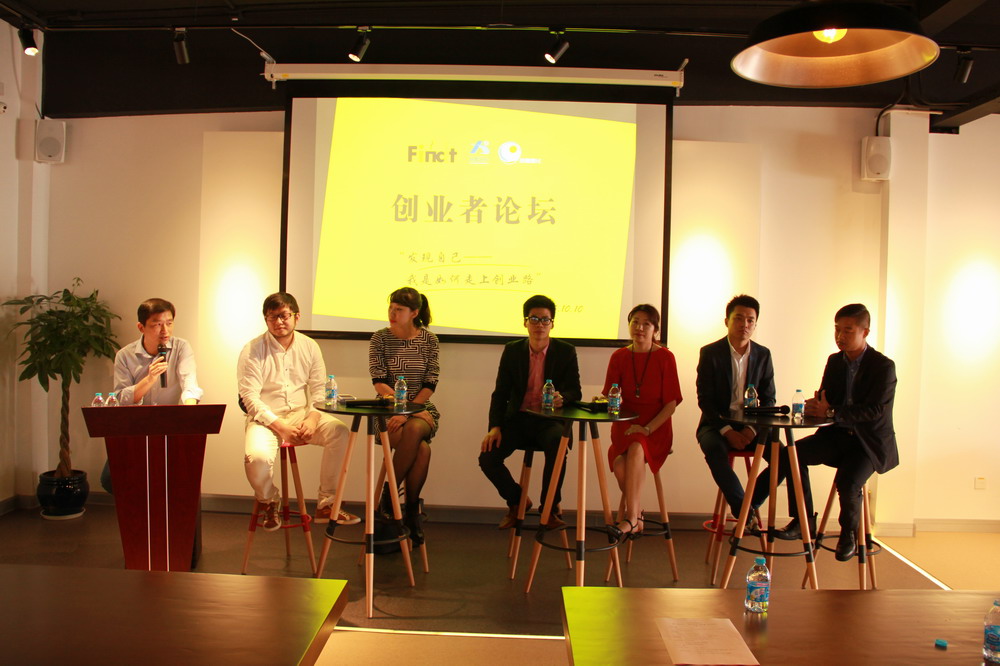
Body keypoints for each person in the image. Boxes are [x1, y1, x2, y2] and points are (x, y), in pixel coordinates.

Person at [762, 303, 897, 561]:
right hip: (836, 437)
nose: (840, 336)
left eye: (847, 330)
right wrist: (815, 406)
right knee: (791, 455)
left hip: (867, 444)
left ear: (865, 332)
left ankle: (849, 535)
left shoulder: (883, 366)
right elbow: (826, 398)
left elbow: (875, 410)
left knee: (848, 483)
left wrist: (832, 411)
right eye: (837, 329)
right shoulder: (835, 361)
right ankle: (803, 520)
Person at [237, 292, 356, 531]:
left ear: (296, 316)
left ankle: (327, 503)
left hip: (302, 414)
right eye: (272, 317)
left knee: (340, 432)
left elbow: (319, 390)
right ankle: (270, 500)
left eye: (284, 316)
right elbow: (249, 399)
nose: (279, 322)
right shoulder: (253, 349)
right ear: (265, 319)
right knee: (256, 458)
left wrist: (312, 419)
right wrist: (280, 427)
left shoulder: (309, 346)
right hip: (266, 420)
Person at [479, 294, 582, 529]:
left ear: (552, 324)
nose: (539, 325)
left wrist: (563, 398)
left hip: (550, 420)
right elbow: (500, 393)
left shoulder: (565, 351)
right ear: (525, 322)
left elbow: (575, 391)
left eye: (545, 320)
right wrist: (495, 427)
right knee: (488, 457)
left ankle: (549, 508)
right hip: (518, 419)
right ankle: (517, 501)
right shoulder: (513, 350)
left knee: (558, 444)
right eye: (534, 319)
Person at [102, 297, 203, 493]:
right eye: (157, 324)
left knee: (177, 476)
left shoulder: (181, 347)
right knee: (110, 479)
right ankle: (137, 509)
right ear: (141, 327)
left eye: (169, 323)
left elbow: (189, 384)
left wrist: (189, 415)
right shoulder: (125, 355)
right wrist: (149, 379)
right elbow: (121, 398)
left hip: (170, 425)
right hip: (135, 426)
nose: (165, 331)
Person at [695, 295, 777, 526]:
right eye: (739, 318)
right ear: (727, 321)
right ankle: (744, 510)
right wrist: (728, 431)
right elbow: (705, 400)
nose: (745, 324)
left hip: (753, 425)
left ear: (755, 324)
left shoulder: (763, 354)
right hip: (716, 424)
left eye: (750, 320)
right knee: (714, 451)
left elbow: (769, 399)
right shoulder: (710, 353)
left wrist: (751, 429)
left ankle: (747, 505)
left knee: (784, 458)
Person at [601, 304, 682, 539]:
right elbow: (610, 395)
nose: (639, 328)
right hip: (626, 424)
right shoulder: (619, 356)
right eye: (635, 322)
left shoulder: (665, 357)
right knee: (619, 465)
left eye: (646, 323)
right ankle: (637, 514)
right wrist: (607, 402)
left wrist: (647, 429)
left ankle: (630, 519)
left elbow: (671, 404)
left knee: (637, 447)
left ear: (655, 329)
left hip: (655, 427)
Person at [369, 287, 440, 547]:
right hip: (388, 409)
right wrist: (401, 409)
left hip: (421, 408)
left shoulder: (429, 340)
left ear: (414, 313)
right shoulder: (379, 338)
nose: (392, 313)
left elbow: (430, 383)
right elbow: (379, 382)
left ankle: (390, 499)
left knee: (415, 429)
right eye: (391, 307)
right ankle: (411, 513)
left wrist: (411, 410)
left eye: (399, 309)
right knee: (422, 450)